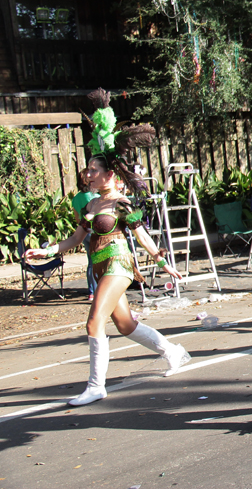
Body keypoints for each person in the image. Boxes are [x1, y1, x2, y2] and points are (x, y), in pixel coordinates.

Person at [25, 89, 188, 407]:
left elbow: (140, 234)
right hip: (100, 266)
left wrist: (160, 260)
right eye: (87, 170)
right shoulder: (93, 203)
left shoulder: (121, 201)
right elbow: (74, 240)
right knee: (125, 325)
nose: (87, 174)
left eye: (93, 170)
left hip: (118, 262)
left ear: (110, 174)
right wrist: (44, 252)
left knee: (93, 321)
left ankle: (96, 386)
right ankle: (174, 352)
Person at [71, 169, 98, 301]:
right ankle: (98, 291)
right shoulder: (94, 197)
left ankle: (91, 291)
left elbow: (77, 219)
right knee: (99, 262)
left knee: (90, 262)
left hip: (84, 232)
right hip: (95, 231)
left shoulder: (76, 198)